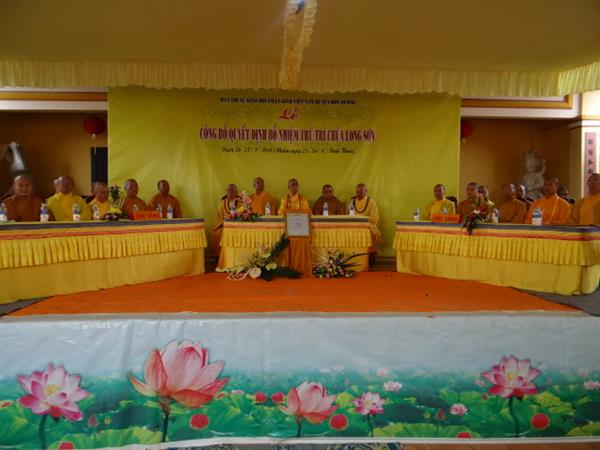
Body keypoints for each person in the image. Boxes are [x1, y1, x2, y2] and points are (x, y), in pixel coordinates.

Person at [350, 183, 383, 261]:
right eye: (357, 192)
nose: (359, 194)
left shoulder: (371, 202)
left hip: (368, 225)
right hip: (355, 225)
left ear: (366, 191)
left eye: (361, 192)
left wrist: (363, 221)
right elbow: (350, 214)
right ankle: (353, 256)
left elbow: (374, 217)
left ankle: (370, 256)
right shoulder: (352, 201)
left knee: (372, 233)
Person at [212, 184, 243, 258]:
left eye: (232, 190)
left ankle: (236, 255)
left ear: (236, 192)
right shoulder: (222, 203)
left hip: (237, 226)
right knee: (217, 233)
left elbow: (243, 215)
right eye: (228, 190)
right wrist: (223, 223)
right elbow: (219, 216)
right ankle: (219, 256)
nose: (230, 192)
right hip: (223, 225)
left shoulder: (240, 202)